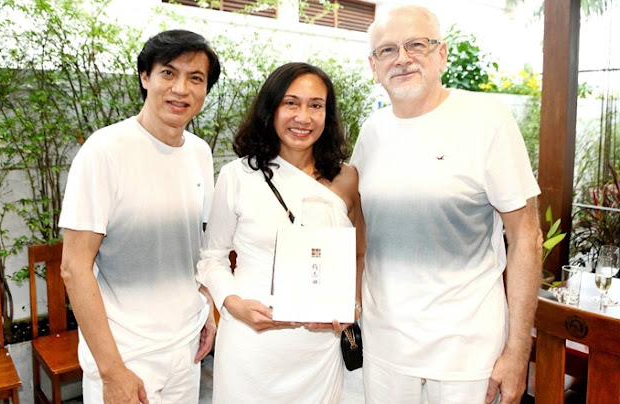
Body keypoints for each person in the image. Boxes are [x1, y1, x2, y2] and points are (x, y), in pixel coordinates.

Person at [350, 4, 543, 404]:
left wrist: (517, 351)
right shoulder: (372, 131)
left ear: (442, 54)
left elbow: (527, 237)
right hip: (385, 346)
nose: (402, 58)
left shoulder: (487, 119)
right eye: (388, 50)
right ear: (373, 66)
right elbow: (357, 224)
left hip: (468, 351)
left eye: (416, 45)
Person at [59, 29, 221, 404]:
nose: (181, 89)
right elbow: (74, 267)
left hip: (186, 346)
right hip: (126, 354)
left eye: (196, 78)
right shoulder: (104, 151)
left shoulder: (199, 153)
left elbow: (196, 245)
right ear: (145, 77)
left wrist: (207, 308)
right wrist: (112, 371)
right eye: (169, 73)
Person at [196, 62, 366, 403]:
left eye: (315, 105)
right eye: (291, 103)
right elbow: (212, 257)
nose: (303, 117)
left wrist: (353, 306)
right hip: (251, 341)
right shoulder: (237, 175)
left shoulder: (346, 178)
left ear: (328, 114)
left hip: (319, 348)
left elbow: (358, 254)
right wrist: (234, 304)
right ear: (270, 108)